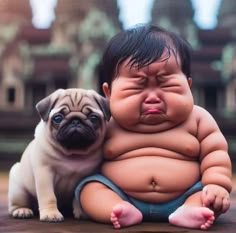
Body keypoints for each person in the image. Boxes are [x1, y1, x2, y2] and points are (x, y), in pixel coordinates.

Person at [74, 24, 232, 230]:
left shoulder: (198, 119)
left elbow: (216, 154)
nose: (153, 97)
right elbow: (82, 157)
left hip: (185, 195)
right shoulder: (106, 124)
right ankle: (116, 209)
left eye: (167, 85)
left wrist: (216, 185)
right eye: (136, 87)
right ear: (109, 93)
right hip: (121, 194)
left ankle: (190, 211)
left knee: (207, 196)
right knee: (90, 189)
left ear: (188, 86)